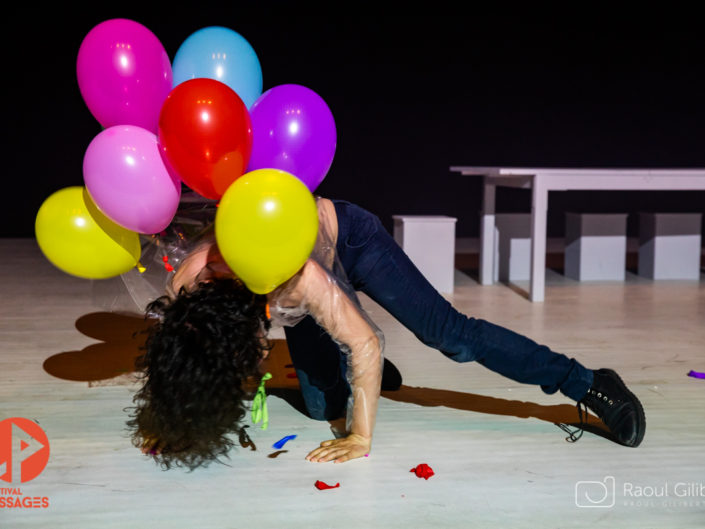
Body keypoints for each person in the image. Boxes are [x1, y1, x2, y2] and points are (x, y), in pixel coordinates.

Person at [128, 197, 646, 470]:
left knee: (450, 336)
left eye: (255, 347)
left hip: (349, 240)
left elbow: (366, 341)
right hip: (290, 285)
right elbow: (187, 359)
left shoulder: (299, 280)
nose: (262, 353)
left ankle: (586, 381)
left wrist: (360, 436)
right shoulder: (188, 289)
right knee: (316, 407)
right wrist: (173, 419)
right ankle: (373, 379)